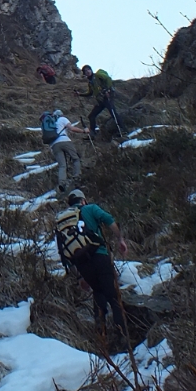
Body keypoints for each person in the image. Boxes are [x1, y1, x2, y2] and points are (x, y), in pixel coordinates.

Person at [55, 188, 130, 346]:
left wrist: (80, 276)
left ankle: (101, 334)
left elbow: (62, 250)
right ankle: (122, 337)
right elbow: (109, 220)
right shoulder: (90, 208)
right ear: (83, 200)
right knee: (113, 296)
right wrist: (120, 240)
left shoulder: (63, 220)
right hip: (100, 256)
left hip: (82, 264)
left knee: (98, 292)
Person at [42, 108, 83, 193]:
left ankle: (61, 183)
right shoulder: (62, 119)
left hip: (54, 145)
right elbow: (71, 128)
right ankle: (77, 176)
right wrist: (83, 131)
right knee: (75, 158)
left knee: (62, 165)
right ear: (61, 114)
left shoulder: (51, 123)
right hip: (65, 141)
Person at [77, 65, 122, 138]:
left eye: (88, 69)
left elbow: (108, 79)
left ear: (91, 70)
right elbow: (90, 93)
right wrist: (80, 94)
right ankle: (92, 134)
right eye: (85, 71)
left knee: (113, 113)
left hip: (107, 97)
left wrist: (108, 90)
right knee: (91, 116)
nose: (87, 71)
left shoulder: (98, 76)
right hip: (101, 101)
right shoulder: (90, 82)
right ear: (84, 74)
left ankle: (123, 130)